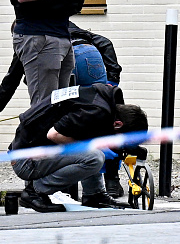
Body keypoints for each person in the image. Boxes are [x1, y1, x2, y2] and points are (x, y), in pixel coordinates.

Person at [0, 21, 125, 197]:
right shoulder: (63, 25)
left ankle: (38, 189)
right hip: (92, 55)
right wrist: (113, 76)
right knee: (96, 121)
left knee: (50, 118)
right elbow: (105, 42)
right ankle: (103, 187)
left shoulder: (29, 38)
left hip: (67, 59)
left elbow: (11, 80)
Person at [9, 83, 148, 212]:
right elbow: (54, 134)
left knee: (91, 144)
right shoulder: (94, 111)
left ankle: (94, 194)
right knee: (95, 156)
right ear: (118, 124)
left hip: (30, 149)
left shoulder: (105, 102)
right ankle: (34, 191)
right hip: (26, 161)